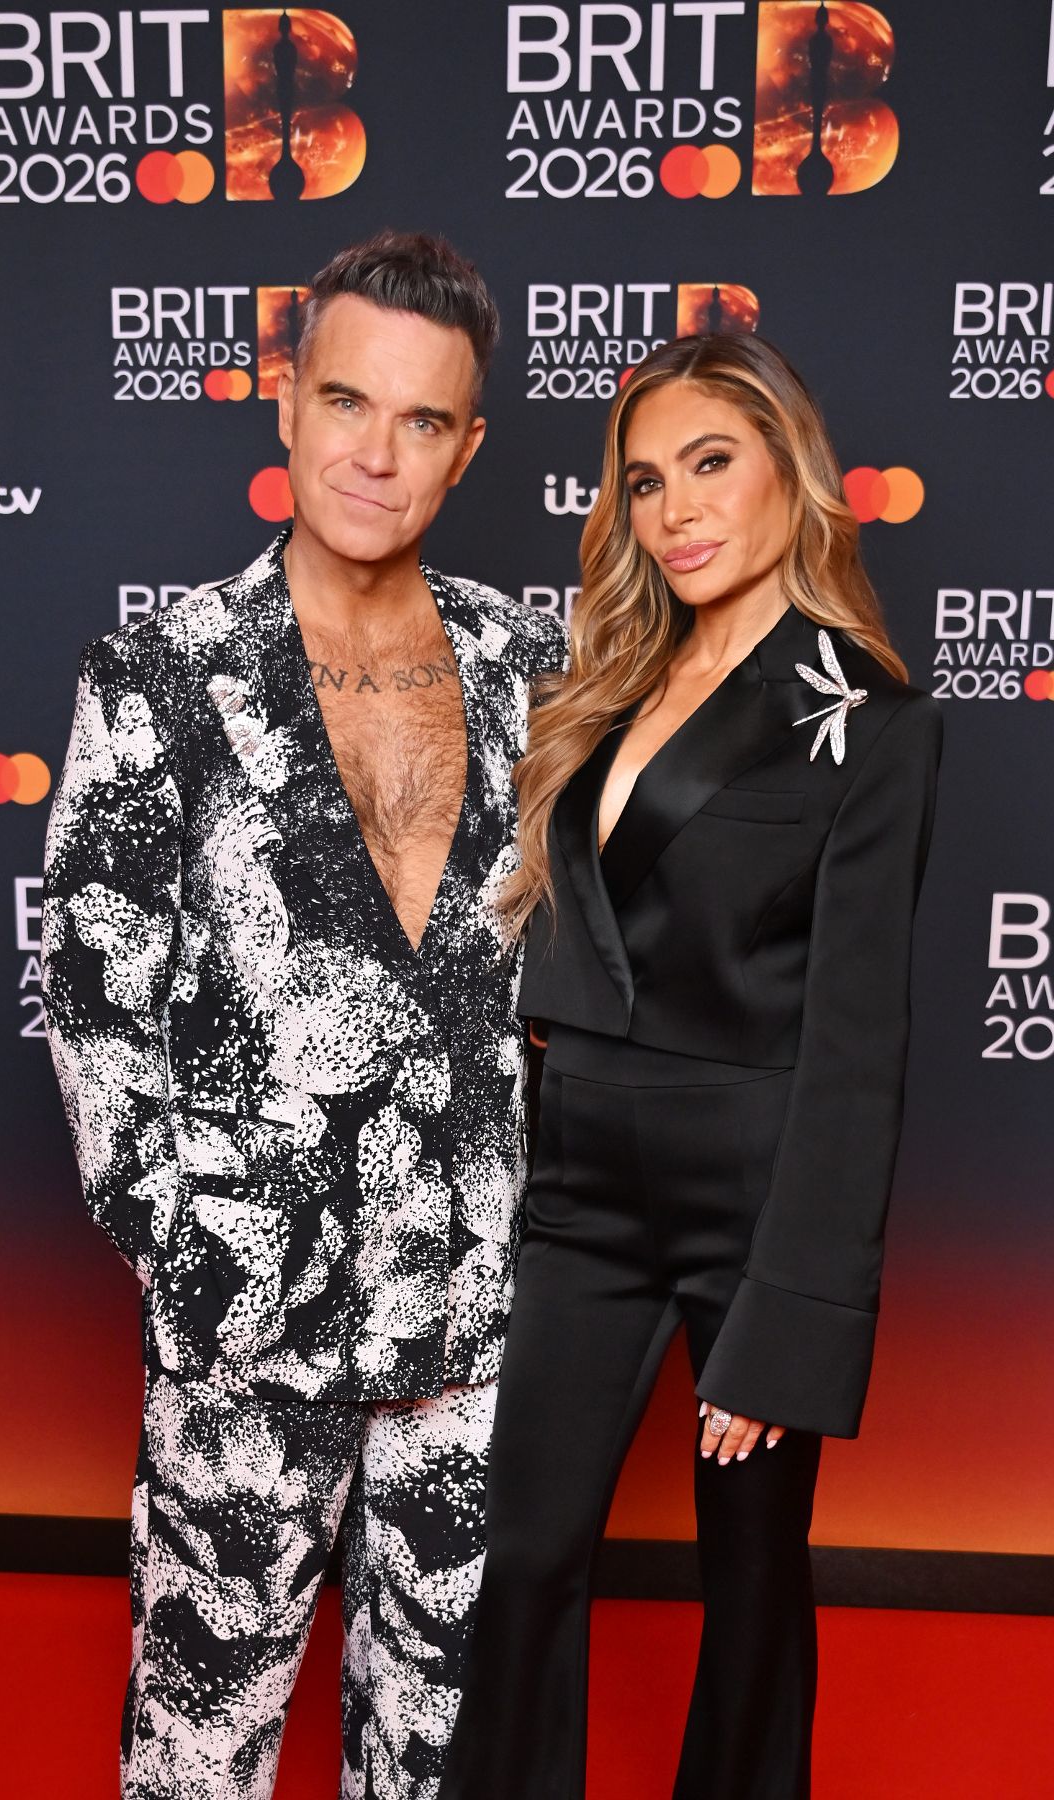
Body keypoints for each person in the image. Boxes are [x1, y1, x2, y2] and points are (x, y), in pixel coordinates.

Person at [40, 230, 565, 1800]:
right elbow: (93, 1005)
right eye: (347, 400)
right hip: (243, 1343)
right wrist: (197, 1254)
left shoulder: (536, 670)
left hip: (472, 1337)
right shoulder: (164, 671)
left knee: (437, 1768)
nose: (375, 454)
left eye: (422, 422)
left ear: (469, 449)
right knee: (199, 1762)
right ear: (286, 402)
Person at [437, 333, 942, 1800]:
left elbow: (856, 1044)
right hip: (578, 1183)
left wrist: (792, 1318)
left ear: (791, 467)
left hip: (752, 1205)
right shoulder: (602, 686)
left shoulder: (876, 725)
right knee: (522, 1563)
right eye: (646, 482)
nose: (676, 511)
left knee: (750, 1590)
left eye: (711, 464)